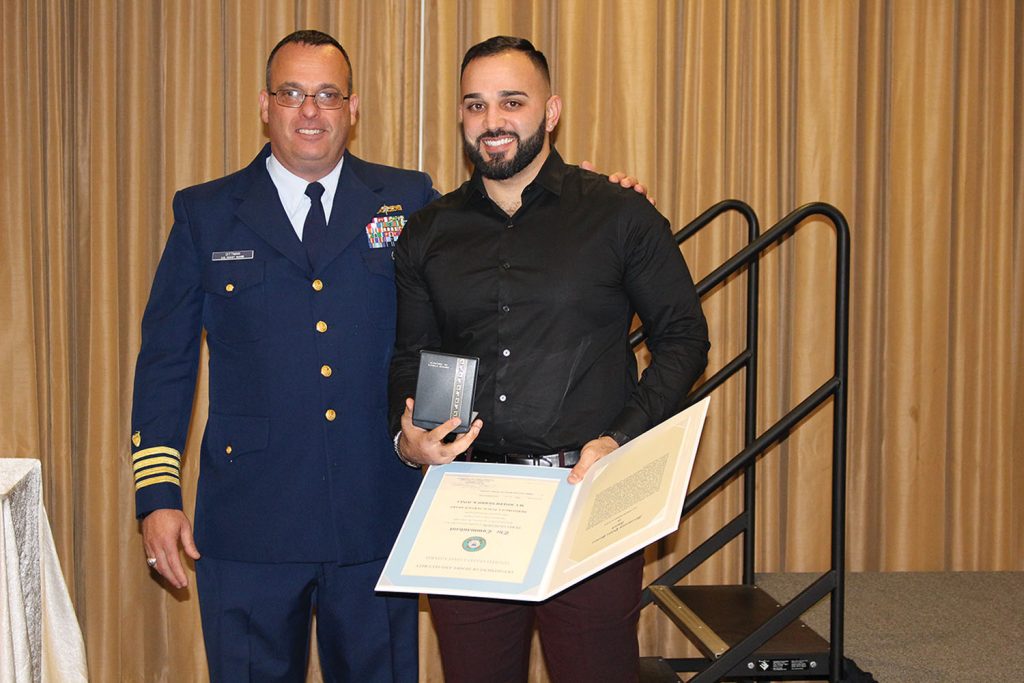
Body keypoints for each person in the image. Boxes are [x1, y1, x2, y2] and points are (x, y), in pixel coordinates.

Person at [131, 29, 652, 682]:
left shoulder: (408, 200)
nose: (310, 111)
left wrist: (596, 198)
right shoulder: (207, 214)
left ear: (353, 108)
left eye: (327, 94)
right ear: (265, 105)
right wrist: (157, 494)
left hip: (377, 512)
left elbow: (498, 254)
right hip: (251, 524)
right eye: (292, 93)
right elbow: (166, 360)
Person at [389, 36, 710, 683]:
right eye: (475, 105)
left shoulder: (619, 213)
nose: (493, 121)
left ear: (551, 109)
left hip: (585, 496)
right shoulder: (428, 232)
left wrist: (623, 436)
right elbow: (416, 356)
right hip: (468, 500)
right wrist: (412, 439)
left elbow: (684, 335)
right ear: (460, 115)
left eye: (512, 101)